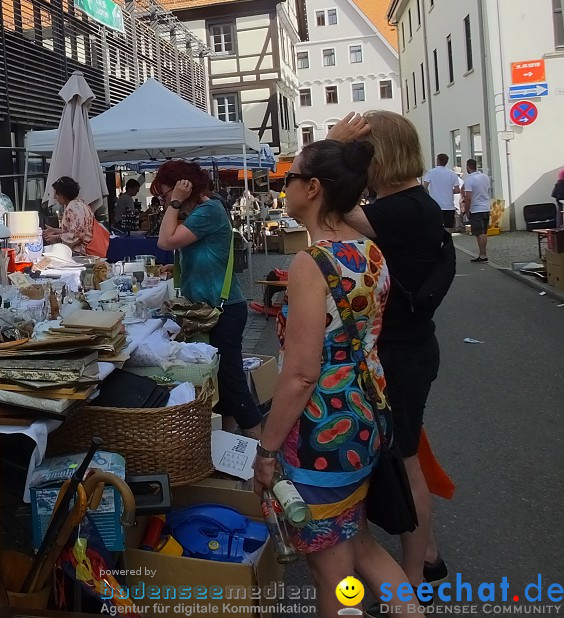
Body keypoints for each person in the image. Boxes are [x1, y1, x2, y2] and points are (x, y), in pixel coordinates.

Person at [253, 140, 409, 616]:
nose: (285, 188)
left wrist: (266, 450)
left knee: (332, 572)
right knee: (358, 542)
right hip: (366, 417)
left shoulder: (312, 263)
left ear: (313, 188)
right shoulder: (371, 253)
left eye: (290, 179)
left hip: (322, 433)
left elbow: (301, 374)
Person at [329, 110, 449, 586]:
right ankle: (430, 558)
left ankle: (415, 580)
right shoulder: (414, 205)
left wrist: (335, 147)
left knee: (405, 462)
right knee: (407, 452)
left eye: (364, 153)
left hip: (400, 352)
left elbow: (327, 201)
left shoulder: (400, 210)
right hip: (407, 348)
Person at [152, 161, 261, 436]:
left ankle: (262, 451)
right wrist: (176, 267)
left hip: (223, 309)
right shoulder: (203, 211)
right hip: (210, 309)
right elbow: (197, 250)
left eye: (164, 194)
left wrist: (174, 203)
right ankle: (229, 447)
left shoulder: (208, 210)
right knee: (222, 382)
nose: (164, 201)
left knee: (231, 381)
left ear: (183, 186)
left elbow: (165, 241)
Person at [43, 176, 95, 255]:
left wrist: (57, 238)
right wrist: (54, 230)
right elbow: (75, 230)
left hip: (81, 252)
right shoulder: (80, 204)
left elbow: (76, 235)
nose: (54, 197)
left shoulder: (74, 208)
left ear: (63, 195)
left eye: (56, 194)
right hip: (84, 250)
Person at [461, 159, 492, 263]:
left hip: (476, 209)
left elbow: (468, 197)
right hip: (486, 207)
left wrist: (467, 210)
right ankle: (483, 254)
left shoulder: (469, 180)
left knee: (479, 233)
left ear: (468, 167)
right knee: (484, 232)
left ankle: (483, 255)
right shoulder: (485, 177)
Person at [423, 153, 463, 230]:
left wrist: (428, 196)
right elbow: (457, 190)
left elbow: (424, 187)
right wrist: (448, 191)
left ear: (437, 160)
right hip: (448, 205)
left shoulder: (431, 172)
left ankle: (437, 241)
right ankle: (447, 241)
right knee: (448, 228)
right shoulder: (452, 174)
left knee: (435, 227)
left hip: (434, 205)